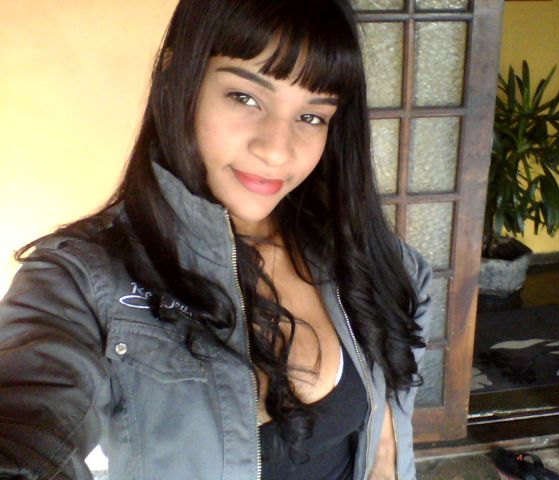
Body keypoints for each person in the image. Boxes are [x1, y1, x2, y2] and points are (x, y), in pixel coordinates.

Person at [0, 1, 433, 479]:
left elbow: (392, 404)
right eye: (245, 97)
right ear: (178, 79)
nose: (276, 150)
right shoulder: (82, 282)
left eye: (312, 116)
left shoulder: (363, 256)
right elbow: (26, 420)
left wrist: (389, 451)